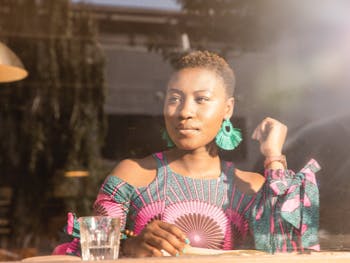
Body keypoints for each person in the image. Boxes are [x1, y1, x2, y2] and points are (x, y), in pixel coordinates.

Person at [53, 51, 320, 257]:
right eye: (174, 98)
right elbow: (87, 254)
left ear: (227, 109)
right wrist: (130, 247)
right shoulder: (132, 176)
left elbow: (288, 252)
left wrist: (273, 156)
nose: (184, 112)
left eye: (201, 99)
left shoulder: (252, 187)